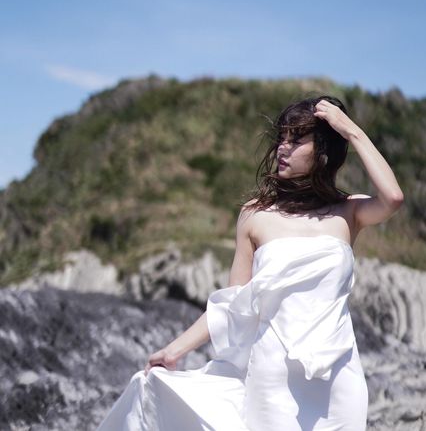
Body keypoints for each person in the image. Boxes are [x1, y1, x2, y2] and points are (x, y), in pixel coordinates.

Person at [97, 94, 404, 430]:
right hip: (274, 377)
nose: (282, 147)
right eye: (281, 138)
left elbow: (393, 197)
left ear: (324, 150)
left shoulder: (349, 211)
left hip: (338, 378)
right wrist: (175, 350)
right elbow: (233, 303)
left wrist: (351, 130)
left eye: (296, 139)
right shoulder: (256, 214)